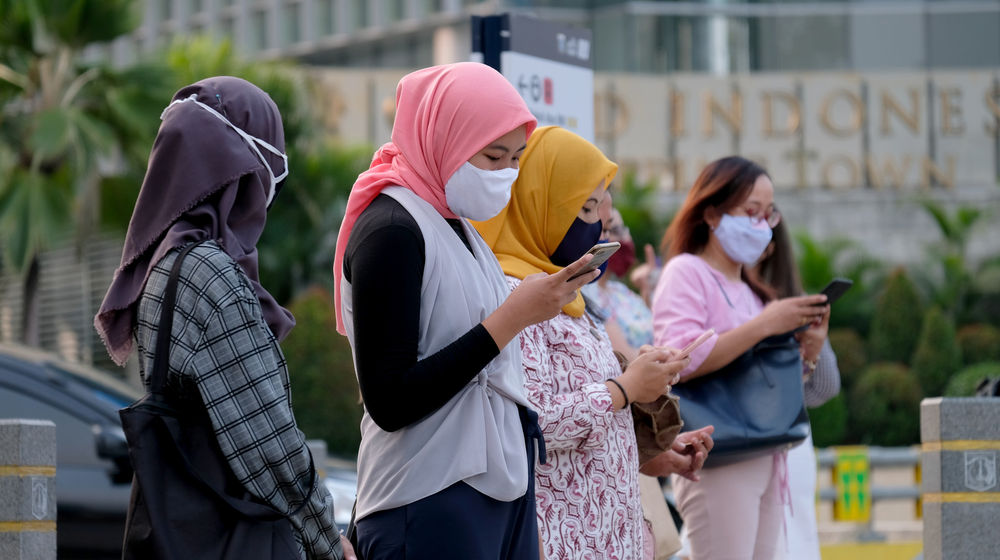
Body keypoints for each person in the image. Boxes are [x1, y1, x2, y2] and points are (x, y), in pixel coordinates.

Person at [334, 63, 597, 560]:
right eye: (493, 156)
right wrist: (513, 318)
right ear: (442, 138)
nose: (505, 174)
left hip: (497, 489)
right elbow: (389, 401)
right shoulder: (391, 230)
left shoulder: (457, 223)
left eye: (516, 158)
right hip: (426, 495)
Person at [94, 77, 351, 559]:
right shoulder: (208, 274)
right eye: (270, 168)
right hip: (235, 533)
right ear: (240, 169)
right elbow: (266, 436)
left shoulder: (164, 264)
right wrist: (327, 538)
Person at [474, 126, 711, 560]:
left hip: (608, 534)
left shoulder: (570, 296)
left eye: (602, 206)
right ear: (539, 206)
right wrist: (624, 389)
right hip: (563, 539)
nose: (600, 223)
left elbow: (590, 419)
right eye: (585, 207)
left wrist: (650, 441)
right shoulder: (516, 296)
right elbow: (535, 424)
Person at [650, 156, 828, 560]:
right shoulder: (686, 272)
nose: (761, 225)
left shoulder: (750, 288)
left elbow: (765, 382)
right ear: (711, 214)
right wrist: (764, 324)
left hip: (767, 451)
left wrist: (810, 350)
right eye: (750, 212)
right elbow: (679, 359)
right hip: (719, 453)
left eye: (768, 214)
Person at [582, 208, 715, 560]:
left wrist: (658, 449)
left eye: (615, 227)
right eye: (593, 216)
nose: (610, 236)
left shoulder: (619, 297)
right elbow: (623, 378)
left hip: (631, 447)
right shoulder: (578, 300)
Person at [755, 217, 841, 560]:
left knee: (796, 542)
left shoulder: (794, 301)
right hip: (731, 444)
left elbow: (824, 389)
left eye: (761, 219)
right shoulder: (705, 289)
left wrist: (813, 351)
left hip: (791, 445)